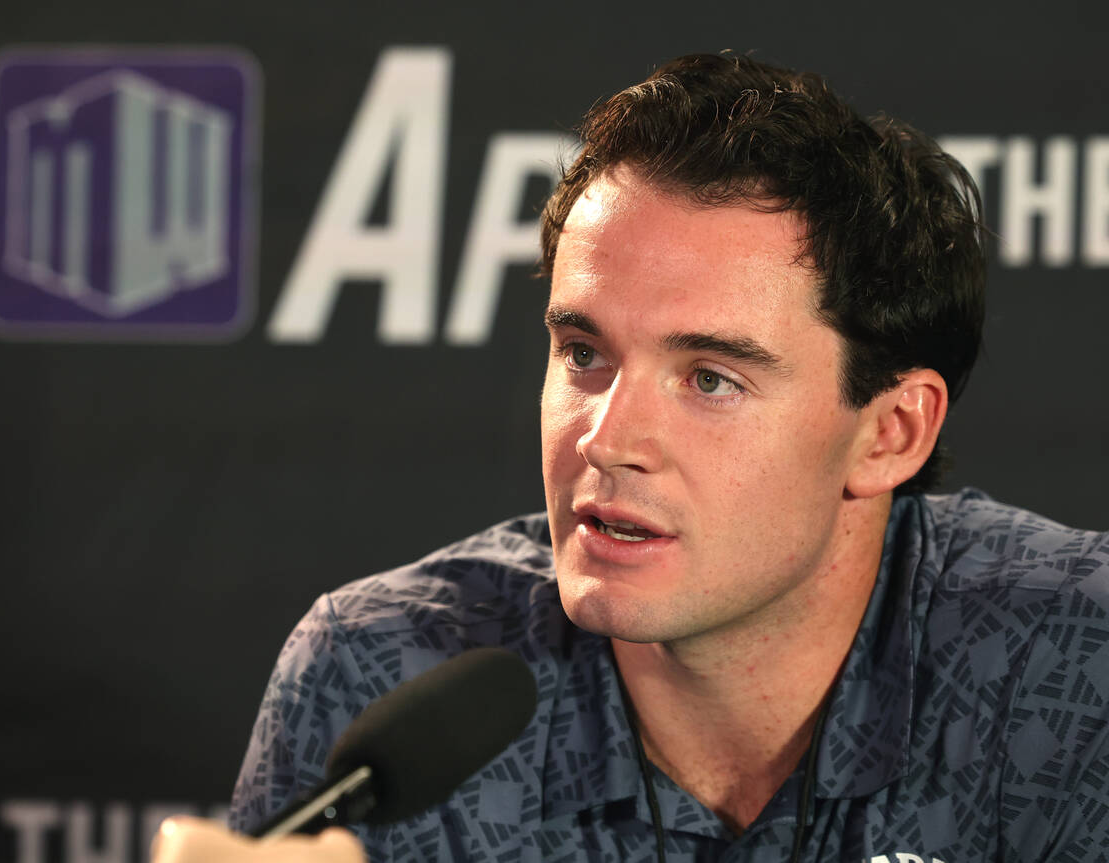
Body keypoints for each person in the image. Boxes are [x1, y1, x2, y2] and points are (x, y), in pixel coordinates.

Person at [214, 53, 1108, 862]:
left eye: (711, 379)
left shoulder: (1077, 667)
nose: (605, 439)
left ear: (891, 432)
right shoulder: (379, 676)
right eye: (583, 354)